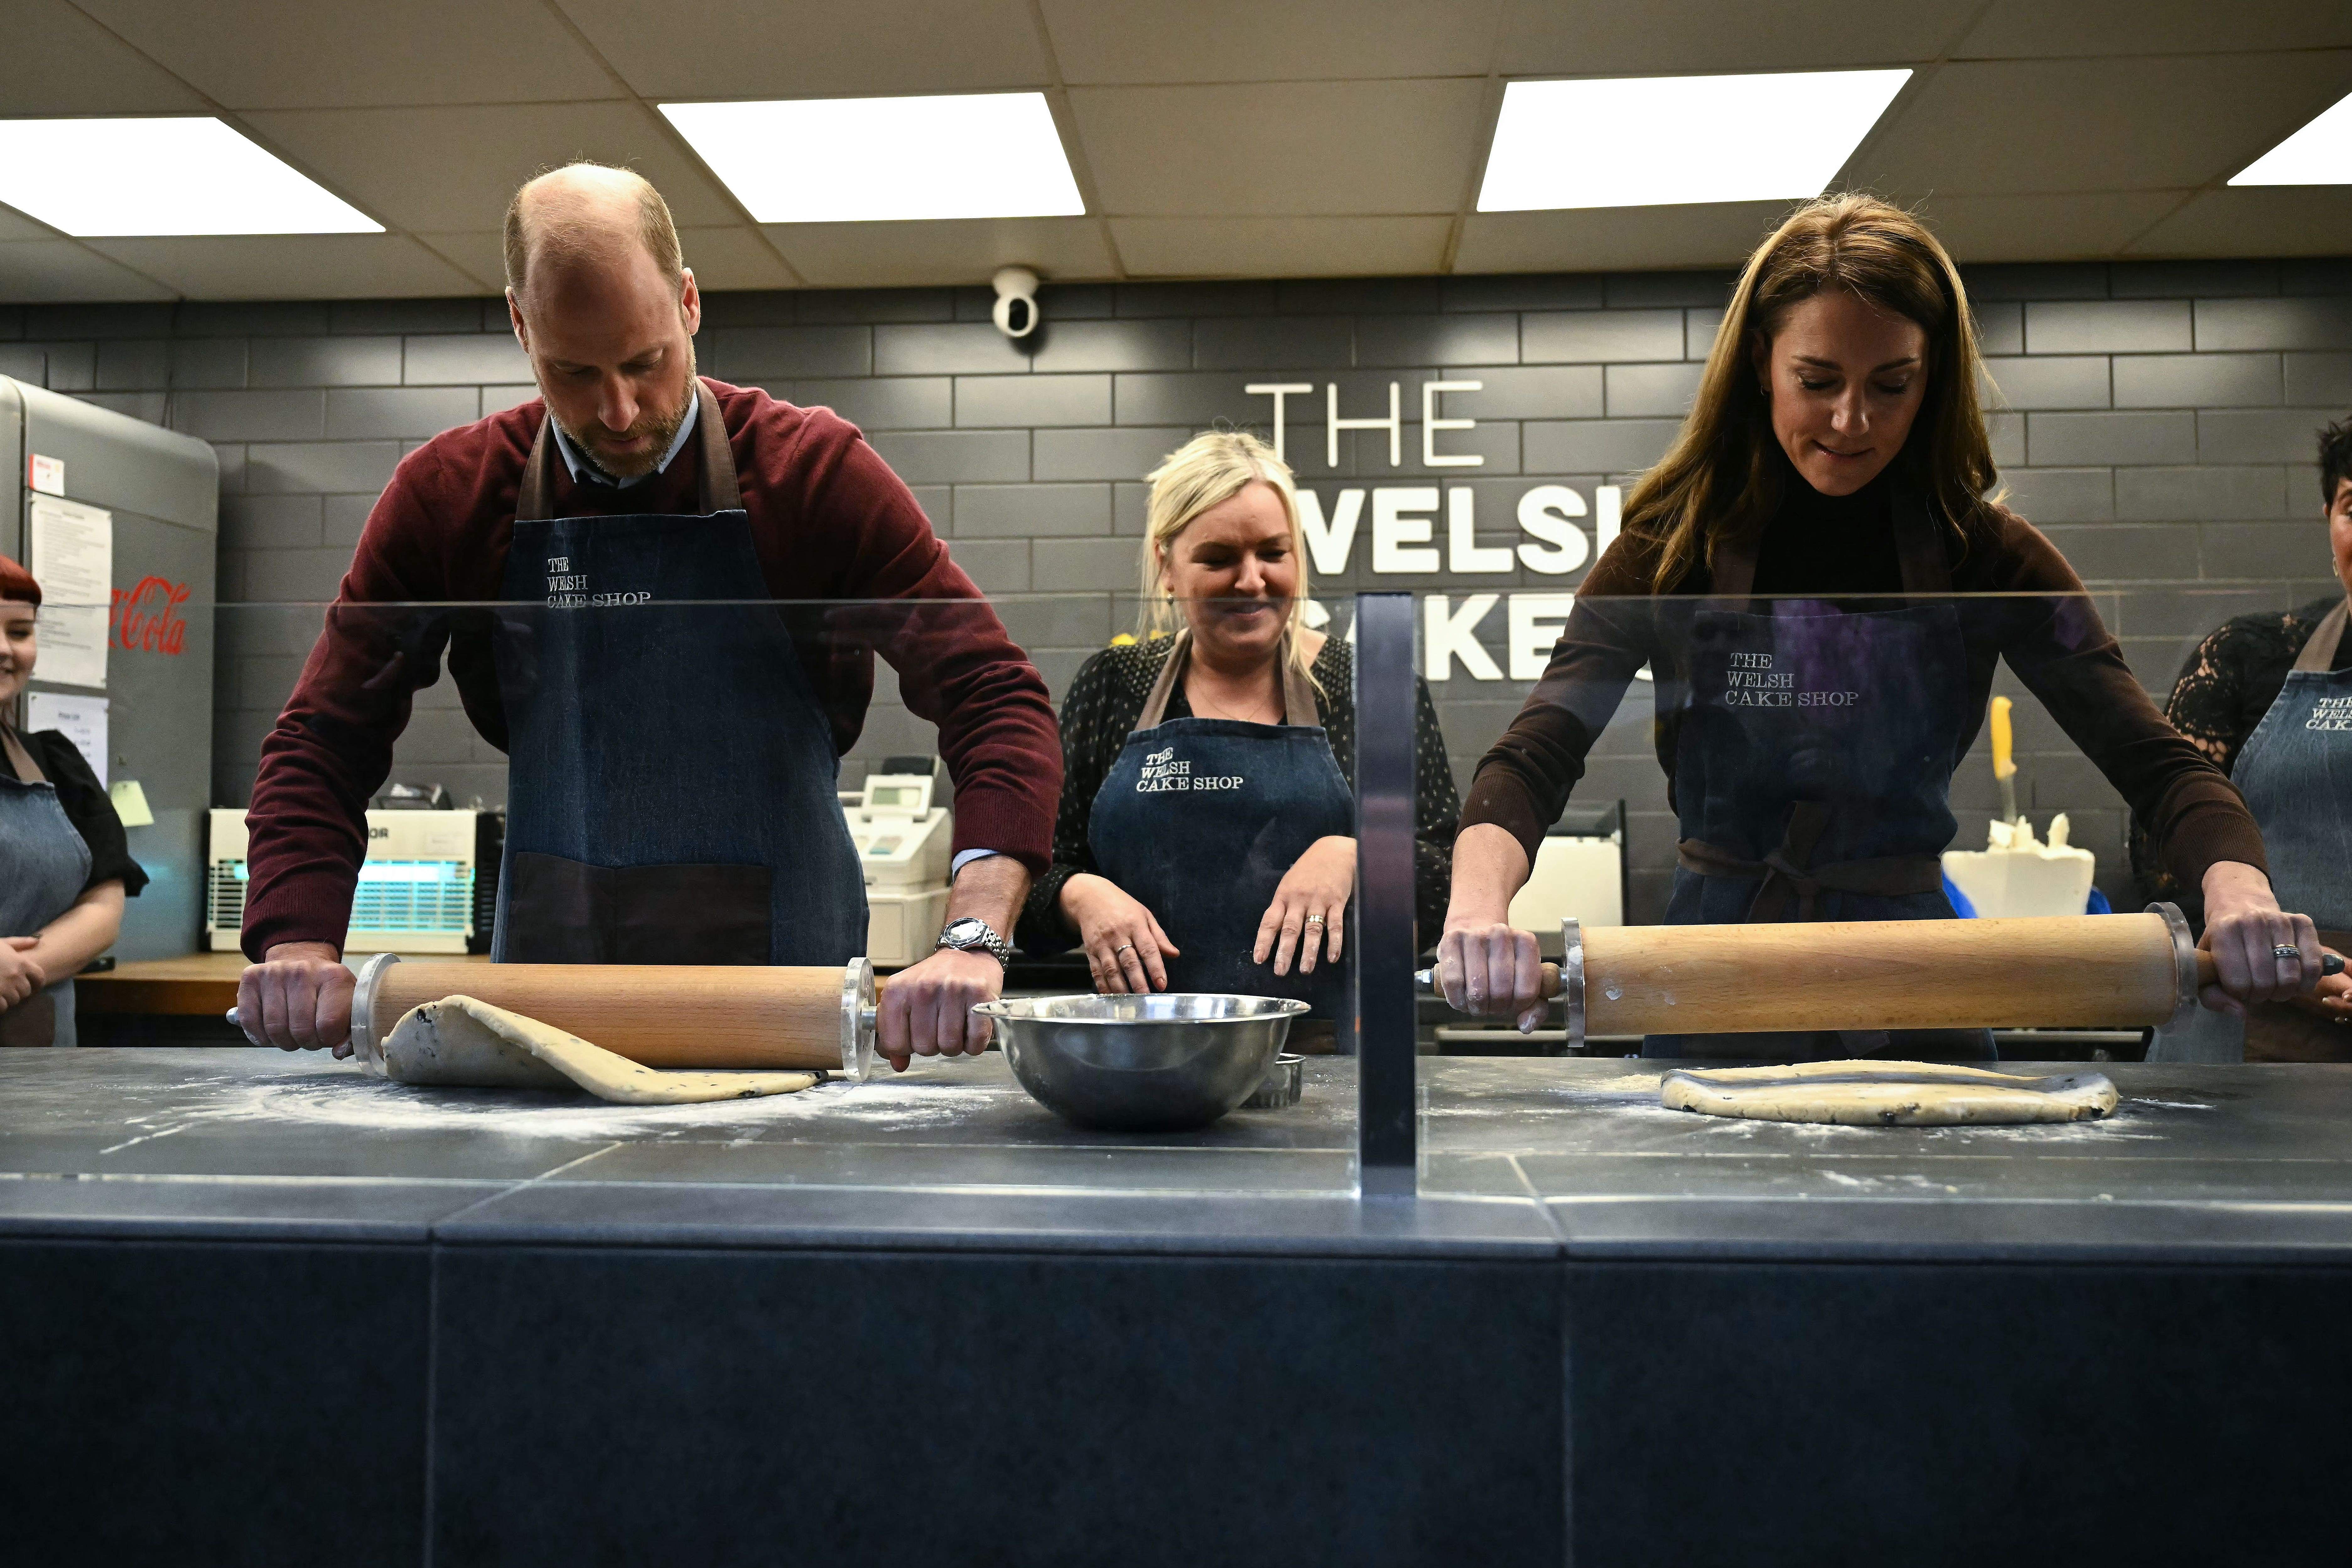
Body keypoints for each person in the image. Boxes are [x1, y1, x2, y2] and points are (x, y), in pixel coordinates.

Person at [1438, 194, 2325, 1059]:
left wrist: (2237, 887)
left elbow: (2155, 763)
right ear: (1758, 362)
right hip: (1713, 972)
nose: (1851, 420)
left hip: (1914, 978)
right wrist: (1476, 911)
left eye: (1889, 385)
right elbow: (1534, 752)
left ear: (1929, 377)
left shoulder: (1989, 559)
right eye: (1816, 381)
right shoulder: (1669, 554)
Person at [235, 164, 1060, 1073]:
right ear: (520, 325)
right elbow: (323, 738)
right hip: (549, 1007)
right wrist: (295, 943)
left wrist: (974, 932)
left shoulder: (811, 474)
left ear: (690, 303)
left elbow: (993, 695)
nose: (618, 410)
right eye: (573, 373)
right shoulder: (449, 496)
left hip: (787, 1003)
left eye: (644, 362)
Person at [1017, 431, 1458, 1032]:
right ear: (1166, 566)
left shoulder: (1372, 685)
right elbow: (1036, 876)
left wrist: (1354, 855)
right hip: (1145, 1051)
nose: (1251, 581)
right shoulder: (1115, 684)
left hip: (1337, 1056)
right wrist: (1084, 897)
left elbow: (1450, 873)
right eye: (1220, 558)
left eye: (1273, 554)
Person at [2134, 417, 2352, 1058]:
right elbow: (2160, 845)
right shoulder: (2247, 657)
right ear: (2326, 518)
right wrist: (2285, 961)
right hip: (2252, 1029)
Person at [0, 555, 147, 1047]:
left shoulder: (55, 764)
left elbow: (102, 907)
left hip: (41, 1063)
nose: (4, 649)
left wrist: (18, 970)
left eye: (19, 632)